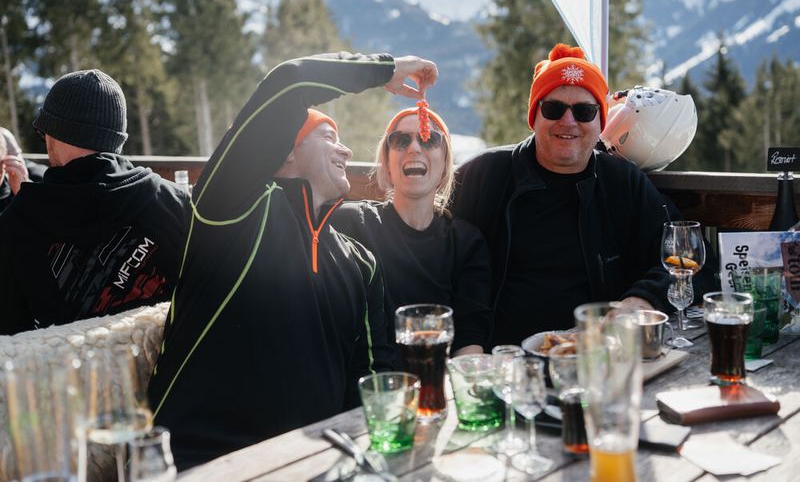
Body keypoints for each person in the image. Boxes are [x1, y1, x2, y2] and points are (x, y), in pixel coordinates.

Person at [147, 52, 437, 469]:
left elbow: (374, 379)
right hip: (200, 459)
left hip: (317, 463)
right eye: (328, 137)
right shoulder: (232, 211)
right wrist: (384, 70)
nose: (345, 149)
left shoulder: (361, 263)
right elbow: (287, 83)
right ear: (283, 155)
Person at [452, 43, 717, 346]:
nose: (568, 121)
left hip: (596, 356)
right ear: (533, 116)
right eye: (553, 108)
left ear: (600, 121)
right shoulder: (485, 175)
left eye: (584, 111)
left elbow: (695, 262)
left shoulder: (622, 183)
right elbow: (427, 236)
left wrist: (639, 303)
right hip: (505, 359)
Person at [0, 69, 190, 335]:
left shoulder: (15, 227)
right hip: (163, 371)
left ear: (55, 134)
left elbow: (9, 342)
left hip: (74, 375)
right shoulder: (174, 201)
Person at [331, 106, 492, 356]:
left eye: (429, 139)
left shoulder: (465, 242)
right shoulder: (352, 224)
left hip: (440, 385)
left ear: (445, 163)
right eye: (400, 140)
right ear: (386, 162)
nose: (414, 148)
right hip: (372, 388)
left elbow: (469, 336)